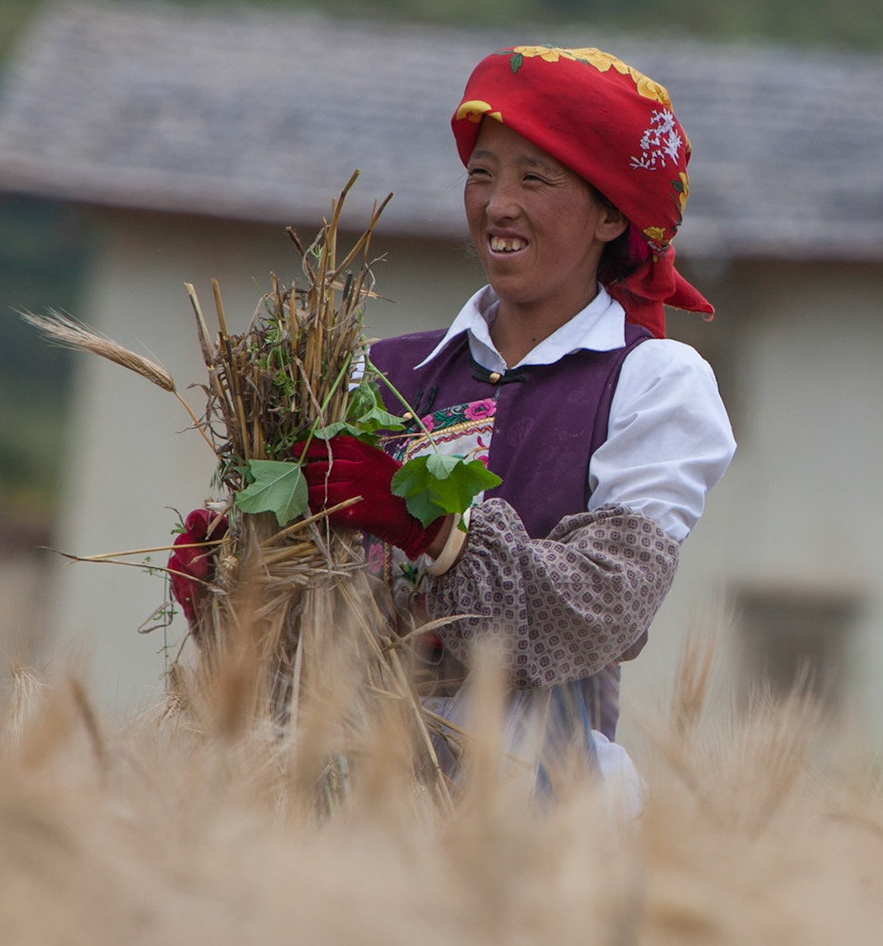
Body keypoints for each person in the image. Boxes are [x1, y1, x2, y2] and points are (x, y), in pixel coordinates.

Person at [170, 45, 734, 807]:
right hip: (356, 800)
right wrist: (239, 598)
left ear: (611, 213)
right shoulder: (373, 371)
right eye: (481, 174)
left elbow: (599, 608)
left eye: (536, 177)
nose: (498, 204)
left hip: (543, 809)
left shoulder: (655, 383)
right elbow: (319, 641)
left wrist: (437, 530)